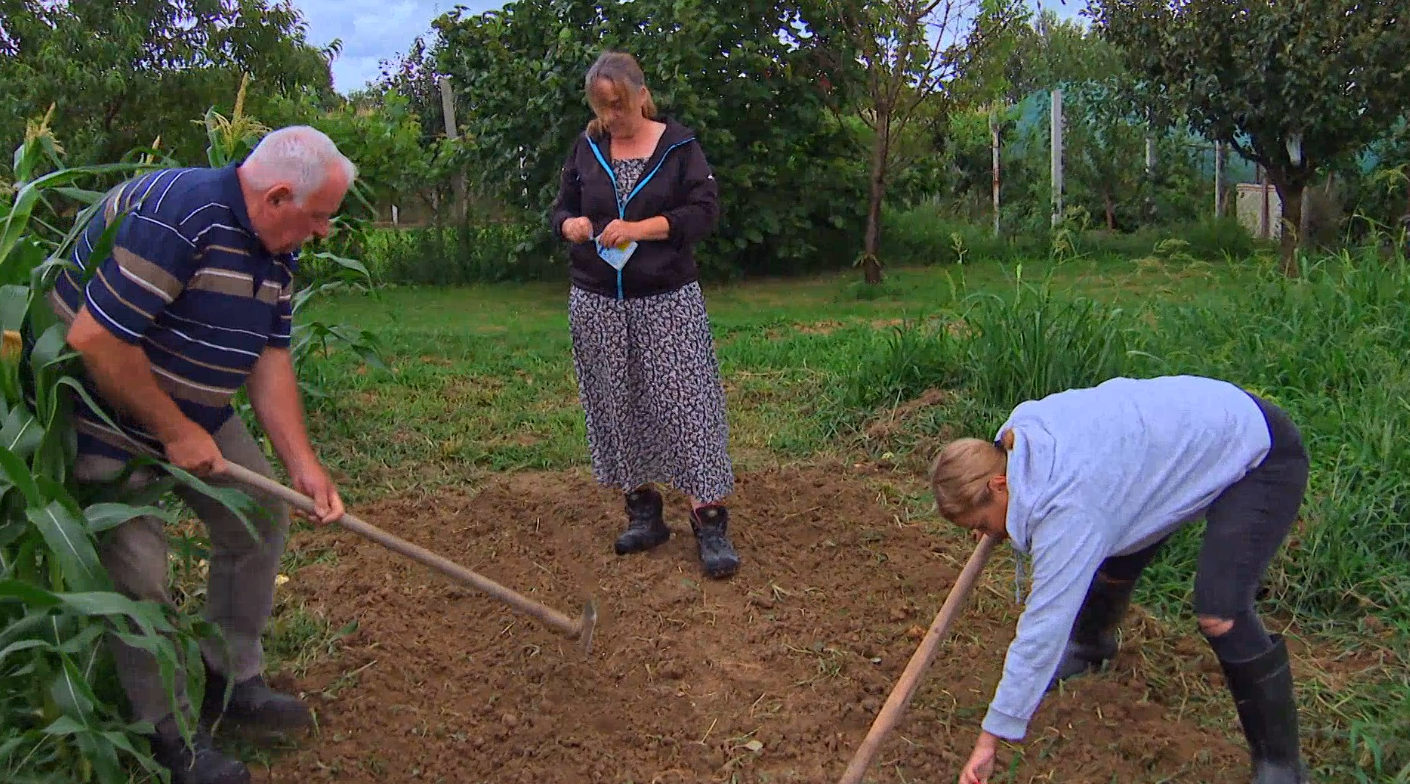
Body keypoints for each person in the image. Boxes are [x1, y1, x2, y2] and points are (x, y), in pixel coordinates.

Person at [48, 126, 354, 784]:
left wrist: (302, 463)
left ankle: (230, 676)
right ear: (277, 197)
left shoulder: (275, 247)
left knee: (259, 515)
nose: (324, 231)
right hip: (103, 413)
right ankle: (170, 738)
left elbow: (269, 360)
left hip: (198, 412)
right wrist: (175, 430)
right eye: (320, 216)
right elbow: (94, 339)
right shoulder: (178, 219)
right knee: (142, 576)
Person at [928, 375, 1311, 784]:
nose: (984, 534)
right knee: (1108, 550)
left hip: (1256, 451)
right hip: (1178, 438)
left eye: (982, 522)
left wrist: (991, 737)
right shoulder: (1015, 437)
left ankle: (1281, 766)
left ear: (999, 484)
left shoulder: (1069, 508)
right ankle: (1091, 644)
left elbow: (1043, 627)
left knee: (1221, 612)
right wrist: (995, 521)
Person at [548, 50, 740, 579]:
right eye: (601, 107)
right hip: (596, 301)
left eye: (619, 105)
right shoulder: (587, 147)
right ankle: (643, 511)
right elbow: (561, 207)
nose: (611, 117)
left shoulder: (680, 146)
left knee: (687, 401)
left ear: (641, 94)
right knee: (616, 401)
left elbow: (702, 213)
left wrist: (639, 228)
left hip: (667, 298)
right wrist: (569, 226)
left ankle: (709, 518)